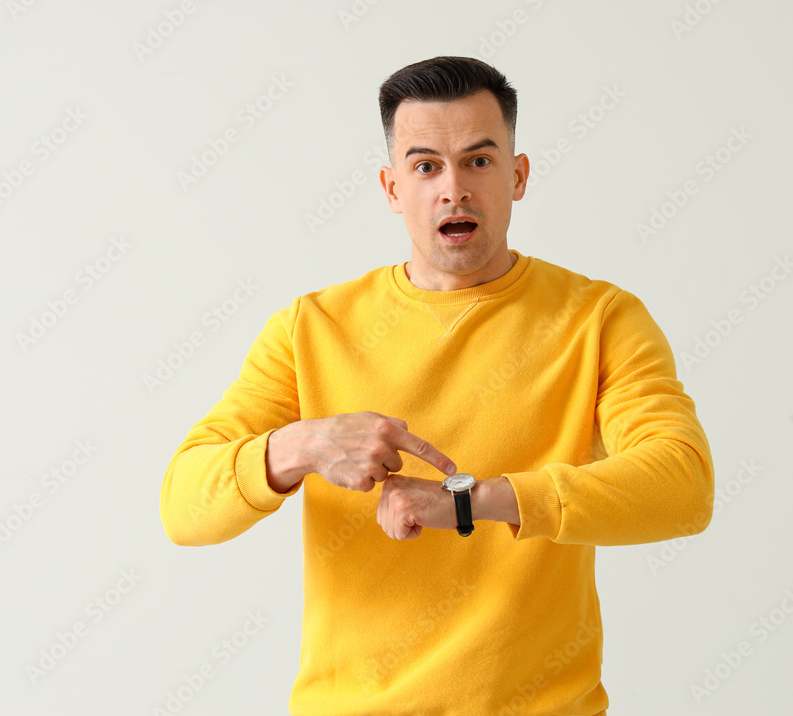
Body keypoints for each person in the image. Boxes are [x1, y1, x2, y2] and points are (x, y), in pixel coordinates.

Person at [160, 56, 714, 716]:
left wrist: (467, 501)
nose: (453, 189)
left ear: (517, 175)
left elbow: (682, 484)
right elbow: (183, 505)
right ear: (393, 188)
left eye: (479, 161)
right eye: (426, 166)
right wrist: (303, 445)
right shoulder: (310, 330)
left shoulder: (599, 319)